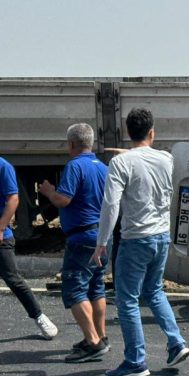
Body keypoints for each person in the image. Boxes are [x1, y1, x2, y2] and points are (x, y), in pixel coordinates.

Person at [91, 108, 189, 376]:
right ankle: (176, 342)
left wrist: (102, 242)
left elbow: (111, 205)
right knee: (155, 291)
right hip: (161, 237)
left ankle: (136, 361)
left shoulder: (120, 164)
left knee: (127, 300)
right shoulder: (167, 159)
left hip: (136, 238)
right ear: (152, 132)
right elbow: (147, 160)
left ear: (127, 132)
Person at [38, 123, 110, 362]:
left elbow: (63, 200)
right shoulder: (103, 166)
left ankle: (92, 342)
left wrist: (49, 191)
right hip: (101, 236)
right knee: (96, 287)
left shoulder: (75, 166)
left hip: (82, 237)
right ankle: (101, 336)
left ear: (71, 144)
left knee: (75, 289)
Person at [0, 157, 58, 340]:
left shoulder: (3, 166)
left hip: (2, 236)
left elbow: (13, 198)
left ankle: (39, 316)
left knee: (13, 279)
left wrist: (1, 228)